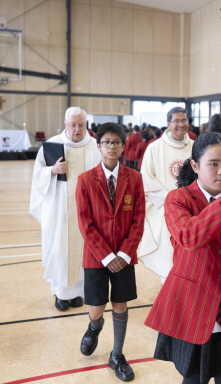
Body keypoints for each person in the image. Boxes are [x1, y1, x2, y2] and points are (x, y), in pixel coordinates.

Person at [145, 132, 221, 384]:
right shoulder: (179, 199)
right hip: (194, 310)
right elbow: (188, 236)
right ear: (195, 166)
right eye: (213, 164)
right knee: (193, 380)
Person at [76, 123, 145, 382]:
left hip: (124, 256)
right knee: (97, 307)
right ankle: (94, 326)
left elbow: (138, 219)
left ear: (123, 147)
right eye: (106, 142)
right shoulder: (85, 180)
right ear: (98, 146)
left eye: (116, 142)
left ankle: (117, 355)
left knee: (120, 304)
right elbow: (85, 223)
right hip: (96, 255)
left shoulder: (134, 178)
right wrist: (107, 256)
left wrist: (124, 254)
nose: (111, 146)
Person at [29, 107, 102, 311]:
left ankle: (78, 292)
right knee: (60, 248)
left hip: (88, 211)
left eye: (81, 125)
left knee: (85, 251)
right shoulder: (53, 145)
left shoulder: (95, 147)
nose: (77, 129)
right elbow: (37, 175)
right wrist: (52, 171)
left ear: (86, 125)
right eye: (73, 125)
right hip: (60, 210)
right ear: (65, 125)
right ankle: (61, 294)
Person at [138, 107, 194, 280]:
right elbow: (146, 178)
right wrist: (172, 198)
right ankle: (170, 285)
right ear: (168, 123)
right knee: (168, 254)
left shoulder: (196, 147)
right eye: (176, 121)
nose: (181, 124)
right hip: (165, 208)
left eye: (184, 120)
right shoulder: (154, 148)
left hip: (192, 208)